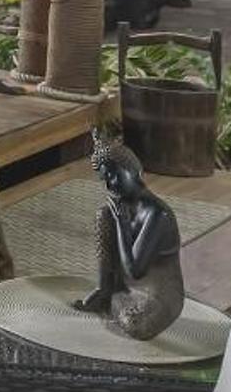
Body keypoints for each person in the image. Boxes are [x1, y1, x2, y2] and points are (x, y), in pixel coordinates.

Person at [73, 134, 186, 340]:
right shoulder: (119, 209)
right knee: (103, 215)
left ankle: (113, 302)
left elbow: (135, 271)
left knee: (133, 324)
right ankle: (105, 290)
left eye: (112, 176)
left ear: (133, 170)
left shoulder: (157, 214)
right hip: (125, 288)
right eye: (104, 180)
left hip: (160, 296)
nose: (109, 185)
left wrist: (122, 224)